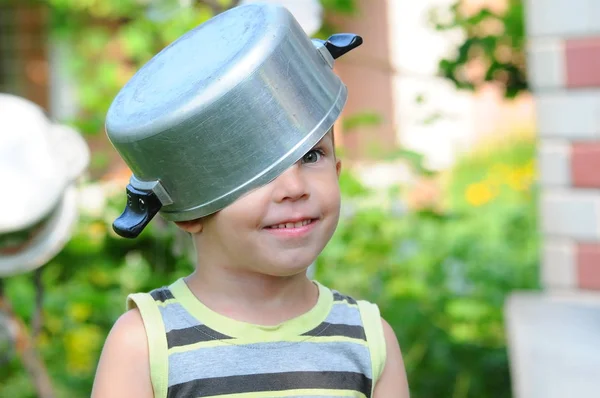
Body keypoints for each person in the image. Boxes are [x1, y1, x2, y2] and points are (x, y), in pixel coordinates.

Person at [92, 3, 409, 398]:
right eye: (257, 170)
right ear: (190, 211)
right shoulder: (145, 344)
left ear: (338, 169)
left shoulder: (369, 339)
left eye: (312, 156)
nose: (294, 187)